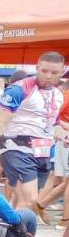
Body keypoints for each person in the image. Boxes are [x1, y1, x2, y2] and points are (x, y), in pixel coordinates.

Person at [0, 52, 65, 215]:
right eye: (44, 71)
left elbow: (52, 125)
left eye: (54, 73)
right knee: (29, 200)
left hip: (42, 153)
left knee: (19, 201)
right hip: (17, 149)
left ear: (62, 72)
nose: (48, 76)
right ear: (37, 68)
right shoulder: (19, 89)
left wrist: (64, 135)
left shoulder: (58, 95)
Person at [36, 95, 69, 227]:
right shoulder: (65, 95)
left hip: (62, 141)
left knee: (62, 181)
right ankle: (65, 220)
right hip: (65, 140)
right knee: (60, 180)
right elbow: (55, 117)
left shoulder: (64, 94)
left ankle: (39, 204)